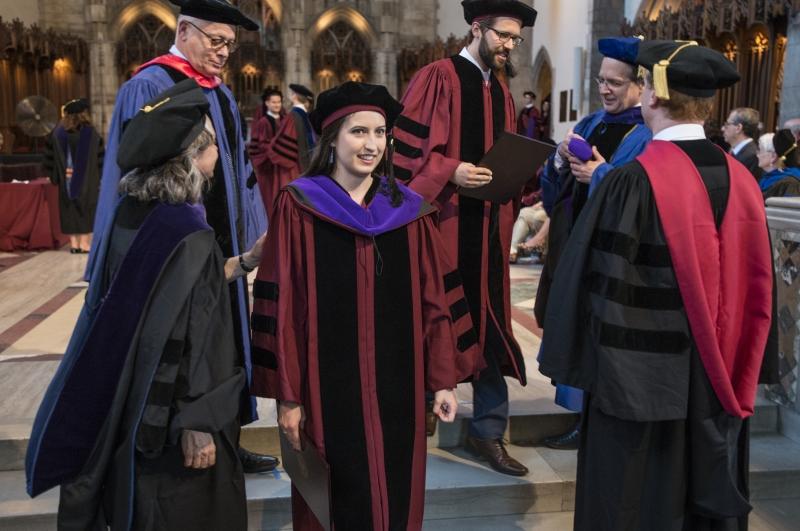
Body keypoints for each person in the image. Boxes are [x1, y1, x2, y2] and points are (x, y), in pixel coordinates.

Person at [538, 39, 777, 530]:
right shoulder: (744, 182)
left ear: (652, 96)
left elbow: (593, 288)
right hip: (719, 388)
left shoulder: (633, 182)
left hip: (638, 393)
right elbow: (758, 289)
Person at [250, 81, 480, 531]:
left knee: (396, 495)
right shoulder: (299, 206)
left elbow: (436, 301)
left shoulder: (410, 211)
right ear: (332, 138)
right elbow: (281, 308)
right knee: (334, 501)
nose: (372, 145)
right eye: (359, 132)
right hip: (324, 390)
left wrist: (444, 380)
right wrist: (288, 397)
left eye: (380, 134)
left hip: (401, 386)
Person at [26, 80, 248, 530]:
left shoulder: (132, 216)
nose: (216, 161)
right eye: (211, 146)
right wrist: (200, 420)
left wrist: (246, 262)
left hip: (126, 411)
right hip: (173, 433)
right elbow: (200, 335)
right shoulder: (190, 234)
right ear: (192, 155)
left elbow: (156, 302)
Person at [84, 0, 275, 473]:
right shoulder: (149, 85)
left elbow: (239, 170)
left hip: (221, 246)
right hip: (168, 249)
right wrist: (113, 254)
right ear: (184, 30)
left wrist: (254, 237)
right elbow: (124, 175)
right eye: (216, 40)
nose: (225, 51)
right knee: (175, 342)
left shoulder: (222, 94)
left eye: (231, 44)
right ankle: (166, 446)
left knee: (223, 339)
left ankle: (225, 438)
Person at [392, 0, 537, 477]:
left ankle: (489, 432)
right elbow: (405, 153)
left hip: (489, 231)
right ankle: (418, 419)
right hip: (444, 226)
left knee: (492, 321)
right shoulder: (438, 77)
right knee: (434, 316)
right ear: (477, 27)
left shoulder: (503, 92)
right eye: (503, 36)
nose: (509, 45)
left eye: (516, 39)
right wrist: (450, 170)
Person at [535, 36, 652, 450]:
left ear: (640, 86)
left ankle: (598, 424)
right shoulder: (588, 124)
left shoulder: (646, 134)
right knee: (574, 330)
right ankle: (581, 417)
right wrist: (556, 160)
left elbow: (644, 198)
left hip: (611, 255)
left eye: (615, 83)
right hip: (573, 245)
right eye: (602, 81)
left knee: (601, 336)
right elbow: (552, 189)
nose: (605, 89)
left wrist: (599, 177)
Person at [43, 98, 104, 254]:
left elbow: (48, 157)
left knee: (69, 209)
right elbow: (100, 157)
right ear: (83, 114)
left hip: (66, 180)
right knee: (86, 208)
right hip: (87, 180)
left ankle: (74, 244)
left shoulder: (57, 133)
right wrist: (101, 176)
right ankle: (85, 244)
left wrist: (53, 176)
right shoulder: (90, 133)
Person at [262, 83, 315, 219]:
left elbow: (283, 142)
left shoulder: (293, 116)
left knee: (289, 202)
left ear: (295, 97)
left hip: (292, 167)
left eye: (291, 94)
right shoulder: (305, 115)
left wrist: (271, 148)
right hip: (305, 163)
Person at [248, 88, 285, 215]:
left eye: (279, 102)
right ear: (267, 104)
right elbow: (261, 144)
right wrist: (277, 152)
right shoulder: (264, 122)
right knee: (270, 197)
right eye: (274, 102)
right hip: (268, 166)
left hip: (281, 165)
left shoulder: (284, 119)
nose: (277, 105)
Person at [757, 129, 800, 199]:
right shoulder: (767, 177)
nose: (757, 154)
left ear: (773, 157)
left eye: (760, 150)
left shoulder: (791, 183)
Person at [722, 106, 762, 179]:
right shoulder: (734, 150)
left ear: (738, 128)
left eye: (727, 124)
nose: (723, 128)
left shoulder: (752, 156)